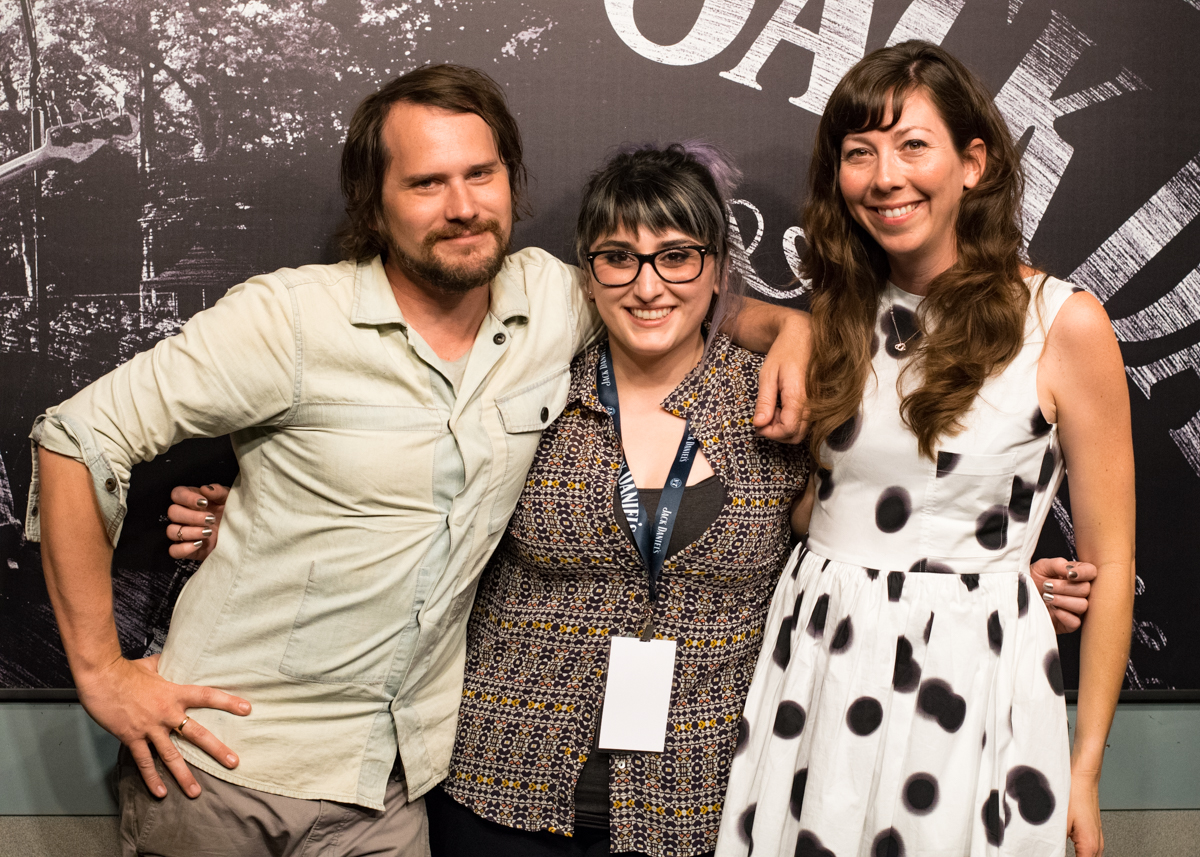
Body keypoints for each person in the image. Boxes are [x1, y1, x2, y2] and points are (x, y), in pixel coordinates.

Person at [176, 143, 1094, 857]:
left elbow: (862, 516)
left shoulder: (781, 396)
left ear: (717, 265)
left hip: (697, 794)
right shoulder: (528, 377)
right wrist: (258, 522)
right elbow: (412, 494)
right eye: (617, 257)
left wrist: (996, 582)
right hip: (504, 782)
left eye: (676, 255)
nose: (647, 283)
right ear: (585, 268)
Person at [29, 65, 811, 857]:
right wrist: (101, 672)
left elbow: (669, 293)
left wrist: (792, 333)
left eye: (481, 174)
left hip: (396, 789)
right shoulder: (290, 319)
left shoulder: (550, 299)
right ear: (375, 202)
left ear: (511, 178)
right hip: (230, 767)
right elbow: (76, 437)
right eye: (427, 182)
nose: (463, 204)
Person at [716, 41, 1133, 857]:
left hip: (971, 679)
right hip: (817, 664)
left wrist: (1083, 768)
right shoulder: (837, 306)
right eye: (859, 151)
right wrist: (789, 323)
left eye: (913, 145)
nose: (884, 176)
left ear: (972, 163)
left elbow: (1111, 563)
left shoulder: (1061, 321)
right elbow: (702, 309)